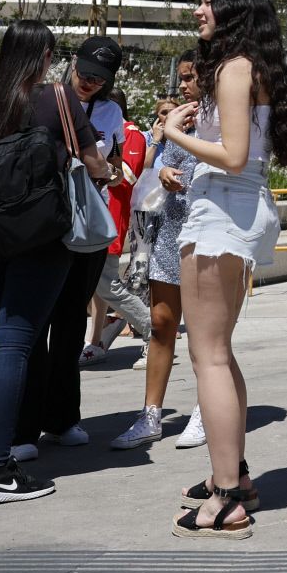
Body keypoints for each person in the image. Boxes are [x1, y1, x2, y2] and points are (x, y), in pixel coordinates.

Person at [0, 19, 109, 505]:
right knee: (14, 344)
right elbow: (93, 162)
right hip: (38, 236)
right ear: (44, 56)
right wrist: (107, 169)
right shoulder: (55, 99)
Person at [157, 0, 287, 538]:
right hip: (233, 208)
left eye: (210, 2)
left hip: (224, 208)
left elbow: (234, 156)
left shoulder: (236, 67)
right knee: (218, 352)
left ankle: (228, 494)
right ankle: (232, 471)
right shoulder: (246, 68)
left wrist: (173, 131)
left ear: (235, 10)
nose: (199, 11)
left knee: (207, 355)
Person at [12, 35, 127, 459]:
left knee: (68, 324)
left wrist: (110, 172)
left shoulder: (111, 111)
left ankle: (62, 419)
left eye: (100, 78)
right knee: (33, 325)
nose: (90, 82)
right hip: (43, 221)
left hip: (84, 225)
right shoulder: (41, 98)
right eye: (85, 72)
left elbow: (111, 163)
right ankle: (23, 427)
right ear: (70, 63)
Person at [111, 51, 204, 451]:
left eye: (190, 77)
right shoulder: (178, 116)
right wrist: (160, 169)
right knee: (162, 322)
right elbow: (148, 169)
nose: (183, 85)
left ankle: (206, 410)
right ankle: (150, 413)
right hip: (170, 227)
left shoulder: (226, 118)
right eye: (181, 77)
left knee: (205, 332)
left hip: (208, 230)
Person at [83, 90, 153, 364]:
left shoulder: (130, 132)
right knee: (98, 287)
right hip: (87, 220)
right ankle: (96, 340)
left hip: (108, 220)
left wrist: (97, 162)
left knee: (109, 286)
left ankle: (154, 331)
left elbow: (128, 176)